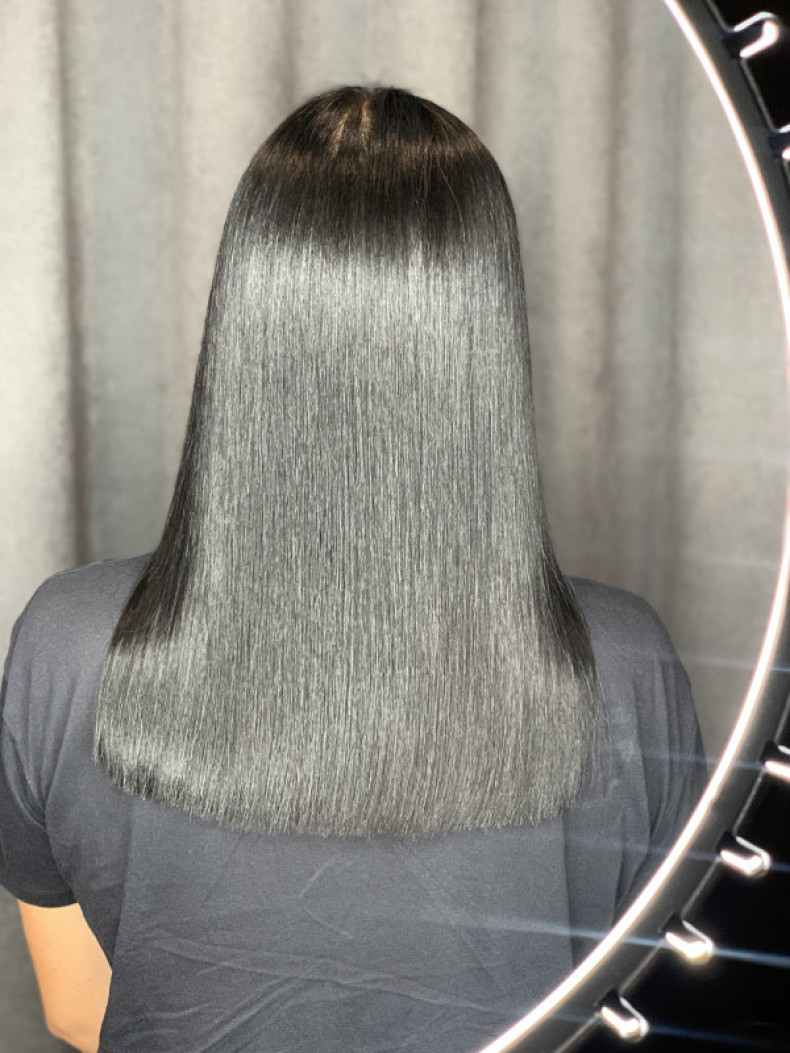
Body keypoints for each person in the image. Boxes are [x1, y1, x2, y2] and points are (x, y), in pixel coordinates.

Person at [0, 85, 707, 1053]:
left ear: (247, 312)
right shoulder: (626, 666)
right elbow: (659, 1006)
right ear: (485, 329)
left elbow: (78, 1009)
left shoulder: (67, 644)